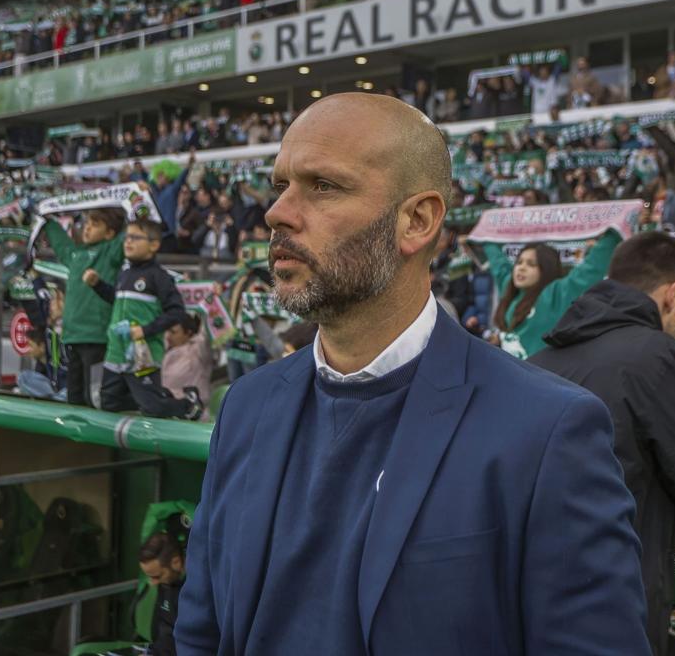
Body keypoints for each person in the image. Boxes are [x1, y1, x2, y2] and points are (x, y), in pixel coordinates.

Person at [176, 93, 650, 655]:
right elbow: (201, 629)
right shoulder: (246, 406)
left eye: (323, 186)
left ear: (417, 220)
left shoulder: (547, 431)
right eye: (281, 186)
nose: (278, 212)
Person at [530, 231, 675, 655]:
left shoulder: (541, 361)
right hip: (618, 594)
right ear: (672, 295)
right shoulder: (657, 356)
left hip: (536, 589)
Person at [85, 218, 197, 418]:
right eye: (127, 237)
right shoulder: (124, 273)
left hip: (142, 355)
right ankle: (162, 396)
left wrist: (144, 330)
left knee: (153, 408)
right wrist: (97, 285)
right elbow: (116, 300)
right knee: (109, 403)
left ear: (154, 245)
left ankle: (188, 405)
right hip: (116, 353)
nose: (128, 242)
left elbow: (177, 311)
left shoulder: (159, 276)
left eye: (136, 237)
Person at [476, 228, 622, 358]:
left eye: (531, 264)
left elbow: (590, 269)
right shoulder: (510, 289)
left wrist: (614, 233)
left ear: (546, 269)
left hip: (541, 381)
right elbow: (499, 264)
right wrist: (484, 233)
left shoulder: (556, 294)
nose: (521, 268)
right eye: (519, 262)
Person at [40, 208, 125, 406]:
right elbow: (61, 243)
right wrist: (47, 219)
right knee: (74, 398)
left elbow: (131, 235)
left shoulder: (110, 251)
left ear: (110, 233)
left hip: (97, 336)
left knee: (94, 397)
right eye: (86, 223)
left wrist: (139, 204)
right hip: (72, 336)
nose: (87, 228)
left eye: (95, 225)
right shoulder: (76, 254)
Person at [140, 532, 186, 656]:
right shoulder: (166, 582)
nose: (152, 583)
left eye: (157, 576)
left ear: (176, 562)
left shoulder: (196, 592)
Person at [160, 313, 213, 412]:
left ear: (188, 333)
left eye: (173, 332)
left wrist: (206, 310)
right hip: (165, 408)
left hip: (193, 412)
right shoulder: (164, 350)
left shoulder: (198, 350)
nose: (168, 336)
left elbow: (207, 333)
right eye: (167, 331)